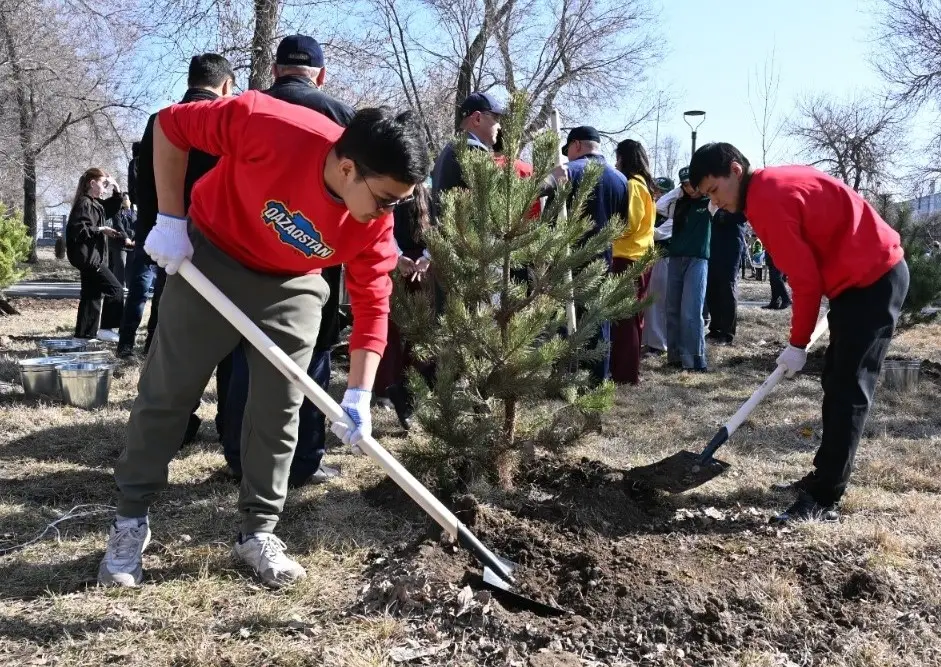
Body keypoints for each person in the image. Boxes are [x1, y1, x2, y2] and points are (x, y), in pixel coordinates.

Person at [97, 91, 429, 590]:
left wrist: (359, 393)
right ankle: (130, 519)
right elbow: (169, 126)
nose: (389, 213)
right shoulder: (267, 124)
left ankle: (258, 531)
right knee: (168, 393)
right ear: (347, 169)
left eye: (399, 203)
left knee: (279, 410)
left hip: (293, 284)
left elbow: (373, 304)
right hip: (211, 258)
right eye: (385, 199)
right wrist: (169, 219)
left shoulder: (374, 226)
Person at [689, 142, 909, 522]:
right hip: (857, 280)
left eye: (714, 190)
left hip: (873, 279)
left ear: (735, 170)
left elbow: (805, 282)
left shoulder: (767, 201)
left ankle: (825, 497)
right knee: (835, 380)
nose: (715, 202)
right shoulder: (770, 185)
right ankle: (824, 476)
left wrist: (797, 344)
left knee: (849, 388)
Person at [222, 34, 356, 488]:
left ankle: (239, 457)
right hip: (317, 261)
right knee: (312, 357)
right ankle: (304, 461)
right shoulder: (343, 118)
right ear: (322, 75)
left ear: (276, 70)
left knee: (246, 354)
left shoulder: (249, 108)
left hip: (245, 254)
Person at [117, 54, 236, 446]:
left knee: (166, 334)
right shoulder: (225, 119)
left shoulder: (158, 120)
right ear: (226, 85)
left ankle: (173, 423)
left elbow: (142, 187)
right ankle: (230, 424)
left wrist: (152, 233)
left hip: (165, 242)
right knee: (227, 338)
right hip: (216, 244)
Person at [558, 126, 628, 382]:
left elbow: (551, 219)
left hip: (567, 259)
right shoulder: (620, 180)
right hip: (602, 260)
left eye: (568, 150)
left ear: (576, 145)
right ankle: (596, 380)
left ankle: (565, 379)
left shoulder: (569, 171)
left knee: (564, 322)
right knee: (598, 323)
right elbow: (621, 224)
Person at [375, 183, 434, 429]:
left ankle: (407, 387)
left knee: (417, 329)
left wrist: (425, 257)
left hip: (418, 266)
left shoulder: (426, 193)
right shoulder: (390, 189)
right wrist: (398, 257)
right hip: (400, 264)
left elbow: (439, 227)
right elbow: (381, 227)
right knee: (393, 328)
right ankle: (388, 386)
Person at [611, 139, 656, 384]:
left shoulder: (633, 185)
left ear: (624, 158)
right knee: (632, 317)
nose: (616, 162)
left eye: (618, 157)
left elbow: (629, 224)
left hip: (628, 257)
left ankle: (625, 374)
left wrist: (606, 233)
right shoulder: (644, 185)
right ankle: (627, 370)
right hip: (638, 256)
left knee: (626, 318)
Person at [659, 167, 711, 372]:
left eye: (693, 184)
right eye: (686, 185)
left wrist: (702, 187)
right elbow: (659, 206)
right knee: (672, 309)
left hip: (697, 260)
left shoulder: (709, 203)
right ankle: (674, 356)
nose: (691, 189)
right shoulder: (678, 204)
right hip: (675, 258)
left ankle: (694, 360)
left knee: (691, 311)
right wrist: (677, 191)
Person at [65, 168, 126, 341]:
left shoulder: (94, 203)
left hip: (91, 258)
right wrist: (101, 229)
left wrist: (117, 189)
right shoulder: (84, 203)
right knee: (116, 290)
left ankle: (83, 335)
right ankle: (106, 328)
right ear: (92, 183)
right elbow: (78, 229)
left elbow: (110, 209)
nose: (105, 189)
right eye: (103, 184)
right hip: (89, 259)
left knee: (91, 295)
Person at [431, 92, 503, 221]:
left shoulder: (450, 147)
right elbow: (494, 202)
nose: (499, 126)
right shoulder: (473, 148)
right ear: (477, 119)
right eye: (496, 118)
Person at [641, 176, 675, 355]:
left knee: (658, 301)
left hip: (664, 259)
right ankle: (648, 340)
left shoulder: (673, 214)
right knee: (648, 302)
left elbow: (659, 234)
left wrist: (641, 227)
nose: (656, 195)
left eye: (661, 191)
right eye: (655, 191)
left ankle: (659, 344)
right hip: (648, 258)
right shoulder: (652, 212)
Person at [705, 208, 746, 344]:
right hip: (713, 244)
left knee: (727, 287)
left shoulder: (738, 200)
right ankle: (715, 328)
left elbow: (742, 216)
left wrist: (719, 214)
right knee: (712, 287)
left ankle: (727, 333)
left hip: (731, 245)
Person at [128, 142, 140, 207]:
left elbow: (132, 179)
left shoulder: (134, 162)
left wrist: (132, 197)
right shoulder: (150, 160)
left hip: (139, 196)